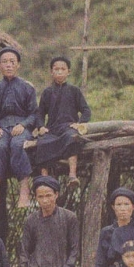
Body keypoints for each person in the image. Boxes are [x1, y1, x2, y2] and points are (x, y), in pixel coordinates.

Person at [0, 47, 38, 209]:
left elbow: (35, 114)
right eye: (5, 62)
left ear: (18, 65)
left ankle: (24, 193)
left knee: (17, 145)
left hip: (22, 127)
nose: (8, 65)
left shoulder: (27, 88)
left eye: (12, 62)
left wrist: (23, 125)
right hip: (2, 127)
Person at [31, 56, 91, 188]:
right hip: (52, 129)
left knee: (72, 137)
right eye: (56, 69)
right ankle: (44, 179)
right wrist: (41, 126)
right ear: (51, 72)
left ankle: (72, 175)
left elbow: (86, 111)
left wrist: (79, 123)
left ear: (68, 71)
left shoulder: (74, 91)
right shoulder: (47, 92)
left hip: (68, 127)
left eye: (62, 69)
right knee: (42, 142)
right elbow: (40, 113)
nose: (59, 72)